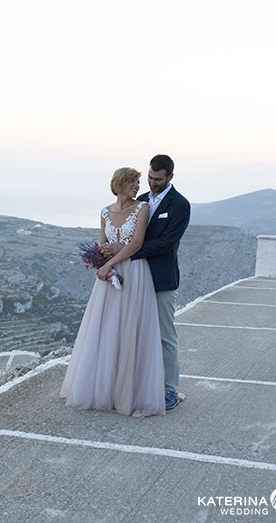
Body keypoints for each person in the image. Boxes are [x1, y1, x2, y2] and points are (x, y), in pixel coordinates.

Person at [60, 167, 165, 418]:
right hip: (109, 275)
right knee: (106, 328)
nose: (137, 186)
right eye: (133, 182)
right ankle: (101, 389)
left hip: (134, 273)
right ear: (119, 183)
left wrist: (110, 262)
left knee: (130, 328)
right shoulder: (105, 211)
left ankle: (128, 394)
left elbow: (137, 243)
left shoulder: (142, 209)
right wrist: (100, 264)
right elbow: (102, 243)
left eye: (138, 182)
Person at [103, 155, 190, 410]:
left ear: (170, 177)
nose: (152, 183)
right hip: (133, 279)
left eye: (158, 179)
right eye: (150, 178)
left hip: (161, 279)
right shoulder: (140, 201)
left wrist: (128, 248)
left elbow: (167, 244)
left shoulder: (180, 205)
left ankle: (169, 390)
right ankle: (139, 385)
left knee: (164, 336)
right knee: (134, 333)